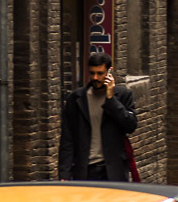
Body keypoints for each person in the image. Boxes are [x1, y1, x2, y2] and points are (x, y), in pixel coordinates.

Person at [58, 50, 138, 182]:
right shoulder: (76, 98)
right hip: (85, 171)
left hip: (113, 171)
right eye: (92, 73)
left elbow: (130, 125)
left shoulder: (123, 95)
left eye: (100, 73)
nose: (95, 78)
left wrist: (111, 99)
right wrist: (64, 174)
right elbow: (68, 138)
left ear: (109, 73)